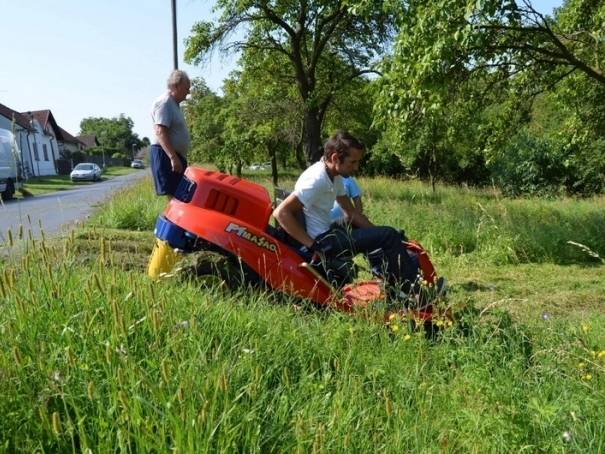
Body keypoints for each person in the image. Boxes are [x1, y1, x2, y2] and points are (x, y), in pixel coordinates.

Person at [273, 131, 422, 303]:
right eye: (353, 162)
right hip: (323, 241)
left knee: (385, 235)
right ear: (335, 158)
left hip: (327, 230)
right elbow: (281, 213)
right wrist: (314, 246)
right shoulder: (317, 179)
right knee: (388, 234)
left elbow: (350, 213)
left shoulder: (333, 176)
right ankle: (409, 290)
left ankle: (388, 277)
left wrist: (378, 233)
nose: (356, 167)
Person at [149, 69, 191, 202]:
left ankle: (178, 223)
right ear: (176, 86)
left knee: (180, 197)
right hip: (167, 156)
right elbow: (160, 131)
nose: (188, 92)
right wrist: (173, 157)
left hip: (174, 156)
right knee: (175, 200)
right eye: (186, 88)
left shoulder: (173, 104)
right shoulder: (165, 102)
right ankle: (172, 223)